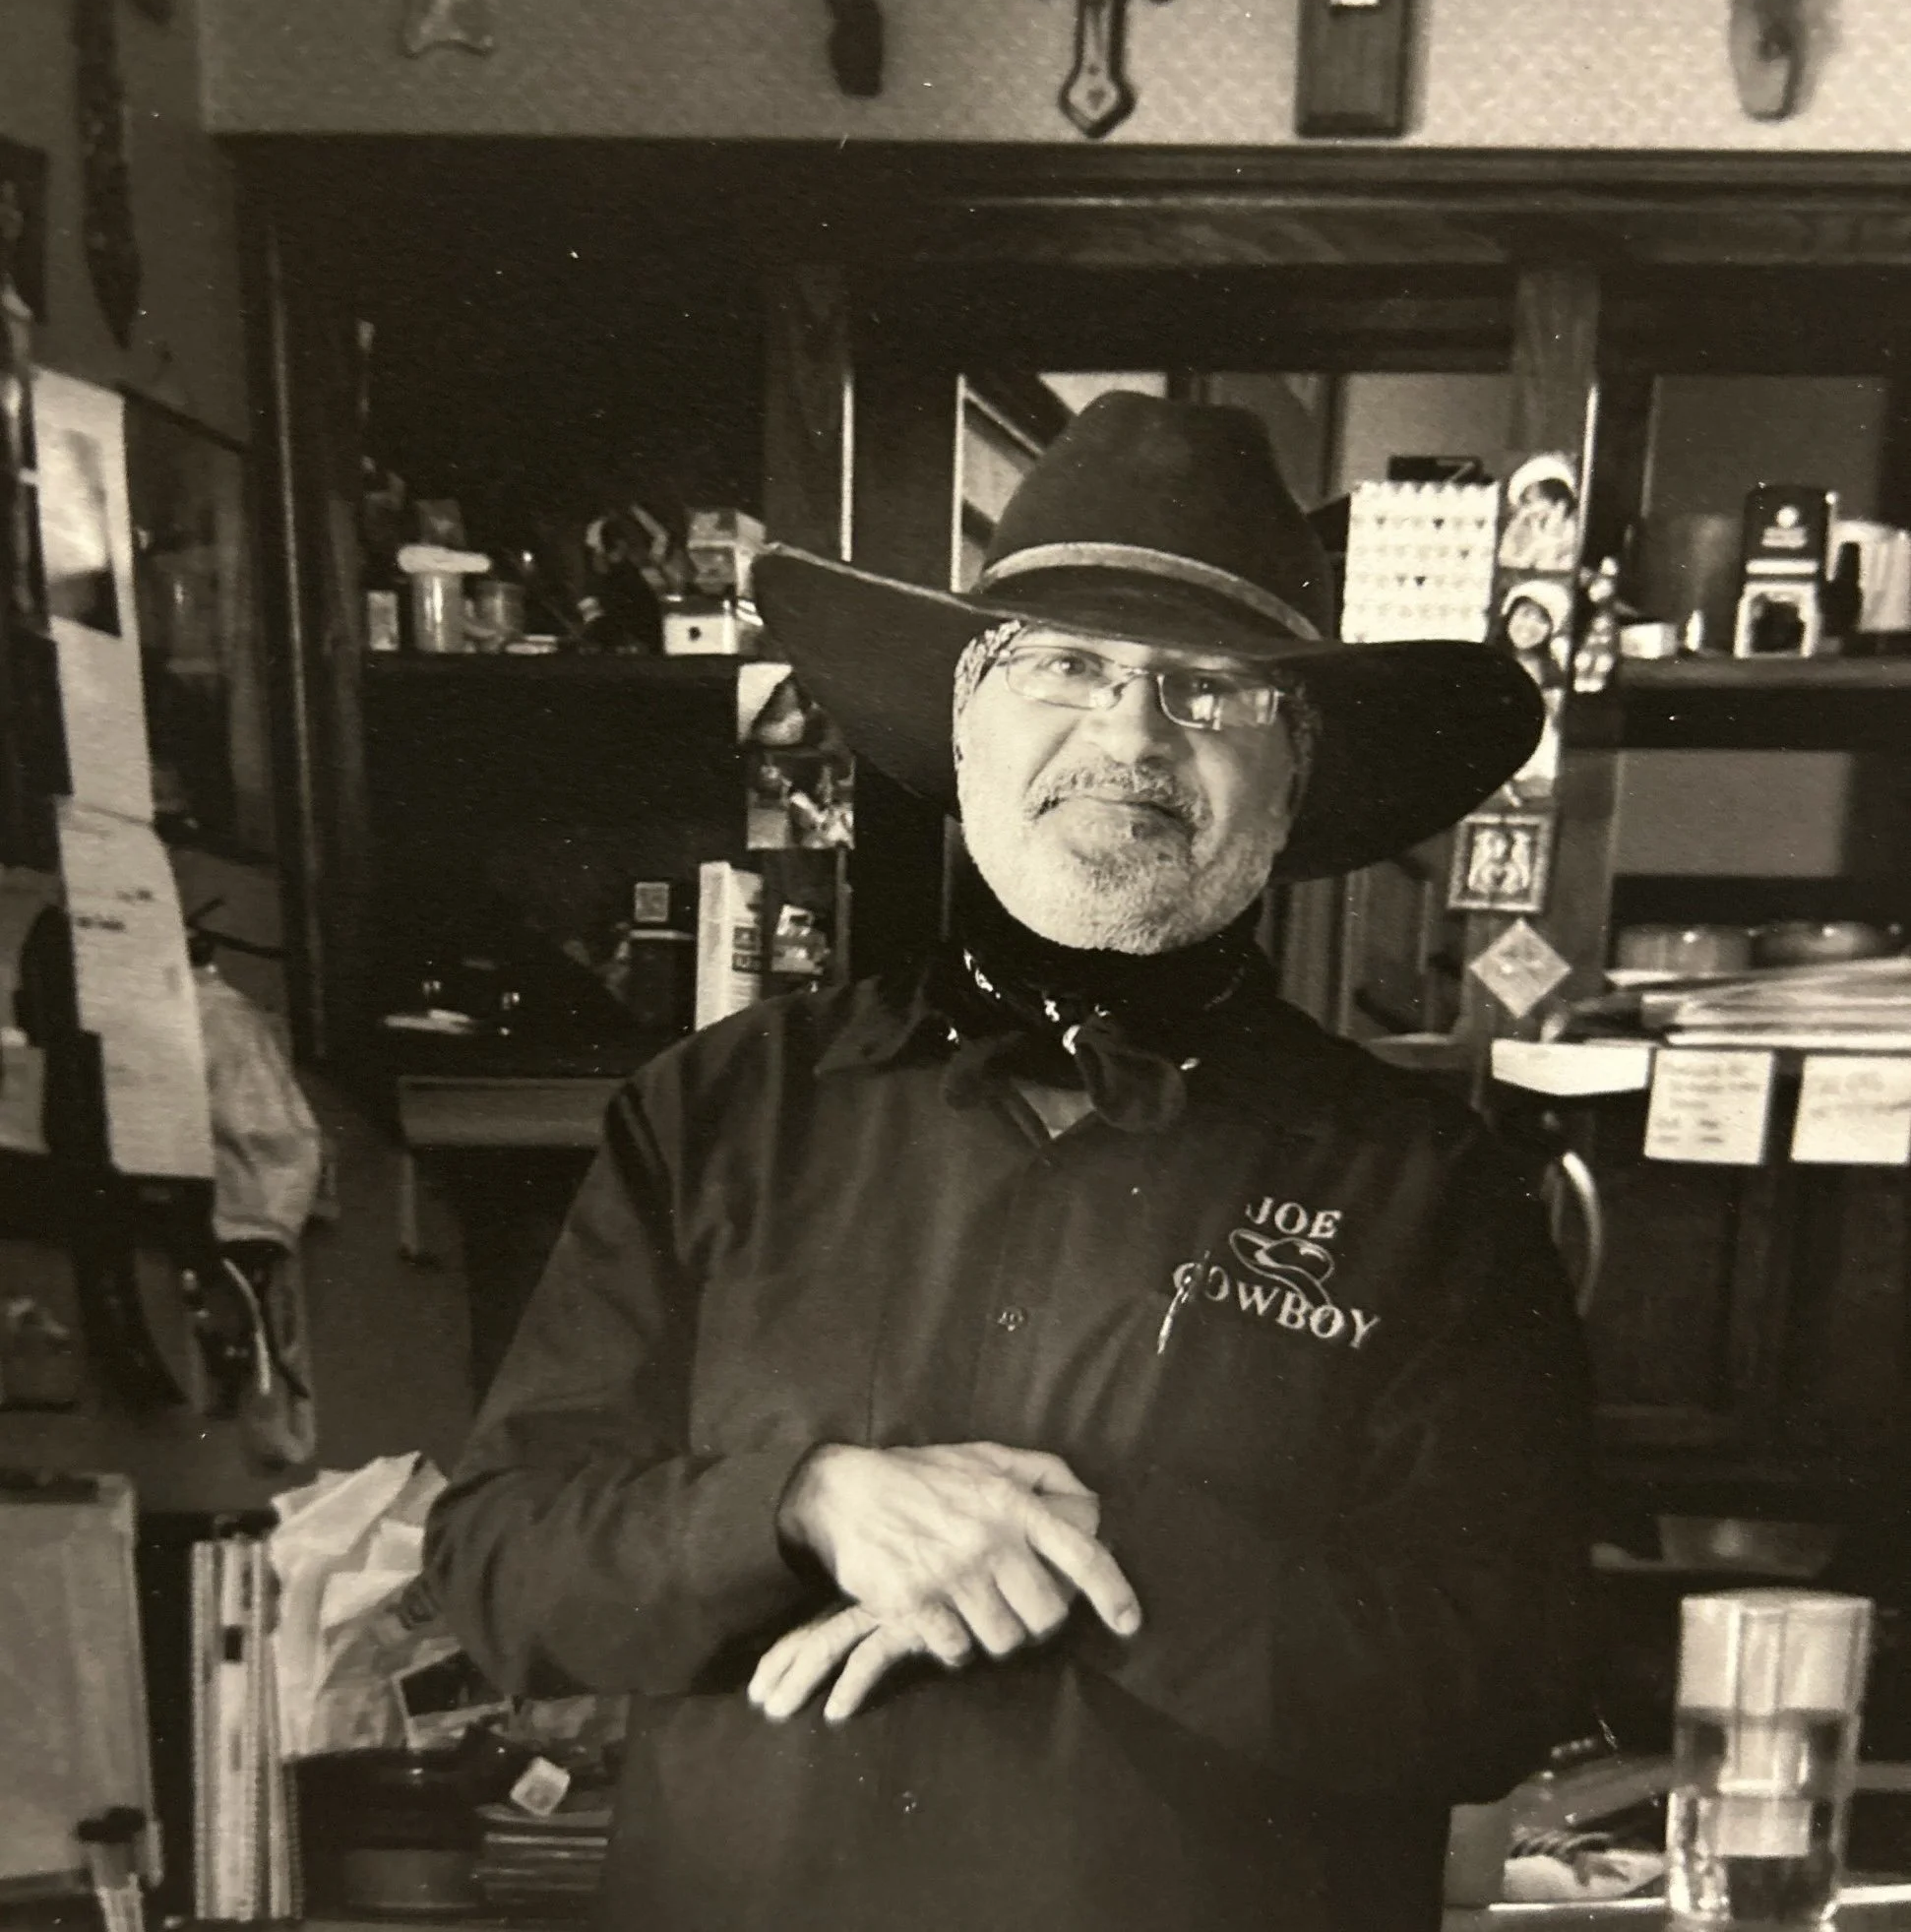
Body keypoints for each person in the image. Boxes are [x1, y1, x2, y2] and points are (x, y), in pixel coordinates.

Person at [424, 394, 1594, 1932]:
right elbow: (495, 1569)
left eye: (1213, 692)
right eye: (1060, 666)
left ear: (1295, 777)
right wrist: (801, 1506)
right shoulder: (715, 1109)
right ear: (958, 725)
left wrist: (1097, 1545)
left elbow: (1506, 1684)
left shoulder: (1430, 1185)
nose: (1130, 733)